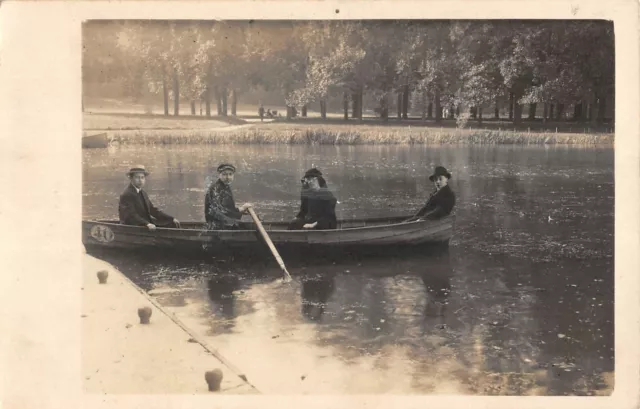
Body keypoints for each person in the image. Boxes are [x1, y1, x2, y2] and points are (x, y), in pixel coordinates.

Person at [118, 165, 180, 230]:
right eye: (137, 177)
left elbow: (152, 210)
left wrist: (171, 218)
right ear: (131, 179)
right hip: (132, 226)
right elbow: (131, 215)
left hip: (144, 223)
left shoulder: (143, 193)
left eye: (142, 177)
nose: (140, 180)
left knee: (172, 223)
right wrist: (146, 223)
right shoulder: (127, 194)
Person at [205, 163, 252, 230]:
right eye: (224, 174)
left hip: (223, 222)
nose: (228, 177)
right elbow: (220, 211)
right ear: (219, 175)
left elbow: (227, 208)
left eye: (230, 174)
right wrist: (239, 210)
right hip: (216, 225)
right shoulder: (216, 188)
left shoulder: (225, 187)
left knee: (247, 226)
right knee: (245, 227)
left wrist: (240, 210)